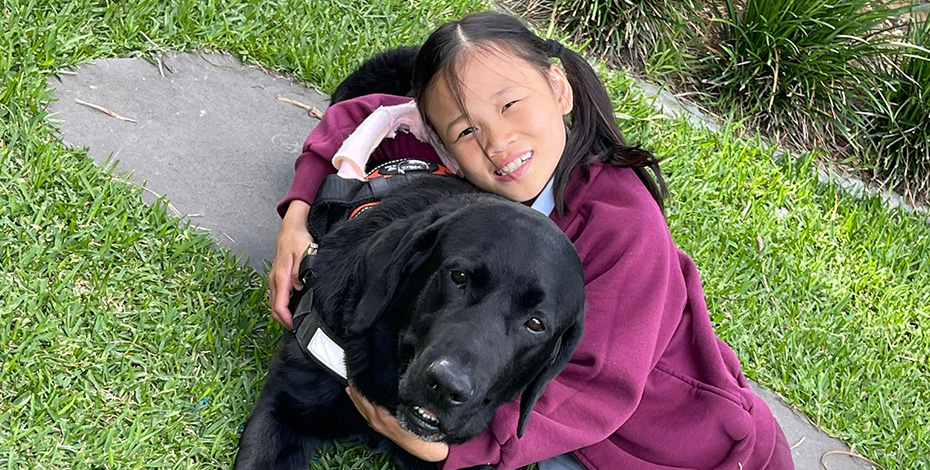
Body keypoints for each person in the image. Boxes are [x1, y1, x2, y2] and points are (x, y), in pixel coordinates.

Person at [269, 11, 794, 470]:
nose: (498, 142)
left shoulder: (624, 225)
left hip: (669, 440)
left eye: (511, 105)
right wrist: (298, 215)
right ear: (443, 148)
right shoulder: (485, 174)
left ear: (559, 89)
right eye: (466, 132)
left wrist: (453, 450)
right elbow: (363, 117)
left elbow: (597, 389)